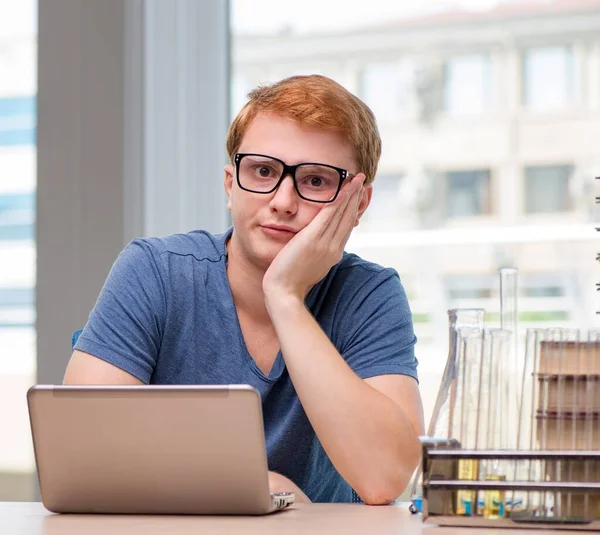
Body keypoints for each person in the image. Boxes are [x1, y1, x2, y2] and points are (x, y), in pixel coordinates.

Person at [63, 74, 425, 505]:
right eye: (263, 171)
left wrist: (285, 296)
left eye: (315, 181)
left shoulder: (369, 294)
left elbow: (385, 477)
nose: (283, 201)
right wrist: (257, 484)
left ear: (358, 204)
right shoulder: (155, 272)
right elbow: (80, 454)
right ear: (230, 184)